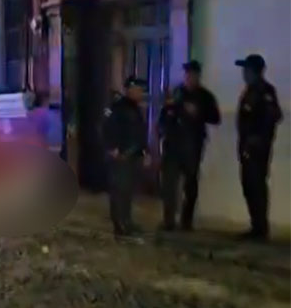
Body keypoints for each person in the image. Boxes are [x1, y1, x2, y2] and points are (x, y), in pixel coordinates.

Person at [158, 60, 220, 231]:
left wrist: (198, 112)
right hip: (172, 146)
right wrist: (163, 132)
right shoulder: (176, 93)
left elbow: (215, 118)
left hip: (192, 147)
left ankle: (186, 220)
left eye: (192, 74)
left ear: (198, 76)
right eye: (187, 74)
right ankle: (168, 220)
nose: (189, 77)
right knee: (169, 184)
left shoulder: (205, 96)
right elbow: (164, 116)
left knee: (190, 186)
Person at [235, 54, 283, 241]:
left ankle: (260, 228)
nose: (244, 73)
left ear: (256, 72)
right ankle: (256, 225)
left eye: (246, 69)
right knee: (248, 185)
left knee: (256, 185)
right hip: (246, 148)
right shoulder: (250, 91)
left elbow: (275, 115)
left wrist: (258, 139)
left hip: (257, 150)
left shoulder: (265, 91)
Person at [102, 76, 149, 239]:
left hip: (133, 155)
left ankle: (126, 221)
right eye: (138, 90)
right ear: (130, 89)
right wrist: (112, 148)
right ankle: (119, 224)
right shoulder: (117, 107)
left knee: (128, 191)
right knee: (119, 190)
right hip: (120, 155)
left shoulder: (135, 108)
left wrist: (144, 151)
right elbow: (107, 127)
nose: (141, 94)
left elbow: (139, 133)